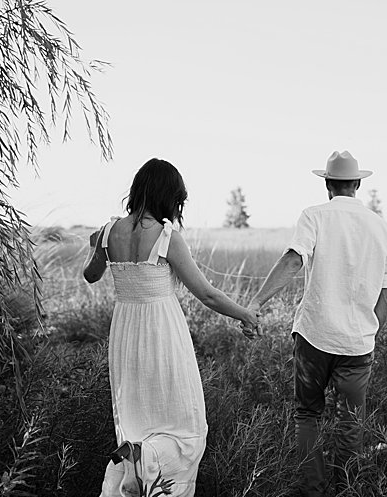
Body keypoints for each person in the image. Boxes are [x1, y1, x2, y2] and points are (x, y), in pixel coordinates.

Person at [83, 158, 260, 496]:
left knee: (137, 418)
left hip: (124, 333)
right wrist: (245, 315)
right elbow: (207, 294)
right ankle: (147, 460)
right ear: (169, 196)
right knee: (187, 425)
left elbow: (91, 275)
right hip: (162, 333)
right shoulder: (167, 237)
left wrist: (95, 247)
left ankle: (138, 462)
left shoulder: (108, 232)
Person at [247, 151, 387, 496]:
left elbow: (292, 260)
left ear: (328, 185)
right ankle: (346, 489)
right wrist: (367, 330)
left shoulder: (314, 216)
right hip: (357, 345)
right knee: (351, 421)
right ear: (358, 184)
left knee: (308, 414)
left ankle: (311, 490)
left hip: (314, 336)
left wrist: (256, 303)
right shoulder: (383, 229)